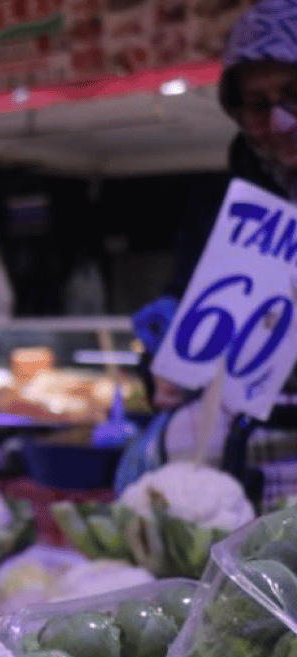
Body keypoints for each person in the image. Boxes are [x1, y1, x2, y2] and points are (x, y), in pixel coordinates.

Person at [119, 0, 297, 497]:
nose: (279, 123)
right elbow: (195, 315)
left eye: (295, 94)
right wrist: (163, 366)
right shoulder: (218, 208)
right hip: (247, 467)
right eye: (258, 105)